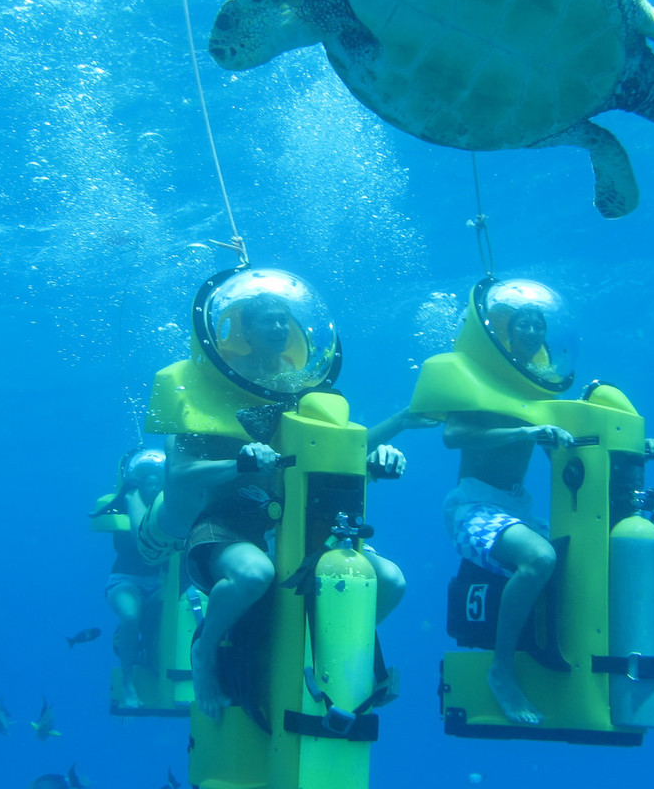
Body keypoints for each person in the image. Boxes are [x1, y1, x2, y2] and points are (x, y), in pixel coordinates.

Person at [168, 293, 408, 720]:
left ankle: (338, 649)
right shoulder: (209, 388)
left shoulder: (306, 386)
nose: (279, 329)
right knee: (253, 573)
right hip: (230, 522)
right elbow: (182, 474)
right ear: (244, 330)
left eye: (284, 321)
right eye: (268, 322)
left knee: (390, 580)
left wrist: (377, 459)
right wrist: (235, 463)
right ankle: (203, 651)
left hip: (305, 519)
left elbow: (340, 454)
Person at [440, 304, 571, 726]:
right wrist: (526, 431)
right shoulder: (480, 379)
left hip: (518, 507)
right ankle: (502, 669)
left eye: (539, 325)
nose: (532, 330)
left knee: (579, 561)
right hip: (472, 506)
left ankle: (546, 651)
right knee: (540, 559)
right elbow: (452, 435)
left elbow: (561, 451)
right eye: (523, 324)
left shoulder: (538, 385)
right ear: (505, 333)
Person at [93, 449, 165, 709]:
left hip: (160, 583)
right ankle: (126, 680)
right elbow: (139, 535)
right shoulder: (121, 502)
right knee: (131, 616)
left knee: (166, 619)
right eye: (148, 480)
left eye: (158, 480)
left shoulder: (169, 506)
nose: (153, 484)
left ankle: (143, 650)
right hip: (125, 580)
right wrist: (132, 496)